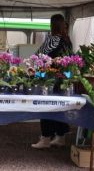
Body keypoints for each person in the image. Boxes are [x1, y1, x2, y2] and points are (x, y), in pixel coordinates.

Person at [31, 14, 73, 149]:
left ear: (52, 25)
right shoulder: (67, 40)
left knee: (47, 105)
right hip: (64, 78)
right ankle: (61, 137)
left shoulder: (53, 39)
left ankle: (45, 138)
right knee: (60, 107)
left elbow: (39, 55)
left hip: (50, 77)